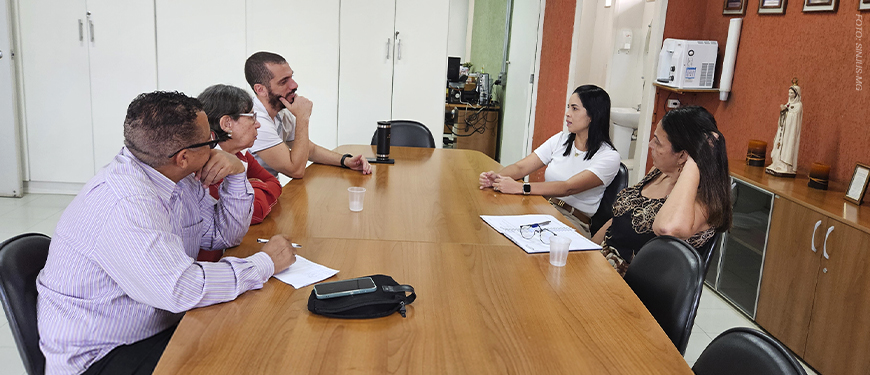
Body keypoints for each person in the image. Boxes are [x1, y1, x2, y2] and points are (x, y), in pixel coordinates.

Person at [36, 91, 298, 375]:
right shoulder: (125, 203)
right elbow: (181, 289)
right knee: (248, 357)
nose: (216, 146)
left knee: (254, 335)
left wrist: (236, 174)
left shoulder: (174, 176)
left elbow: (224, 235)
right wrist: (264, 263)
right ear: (183, 157)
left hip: (155, 324)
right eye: (211, 140)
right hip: (101, 355)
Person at [592, 105, 732, 277]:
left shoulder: (704, 201)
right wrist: (587, 249)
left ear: (683, 156)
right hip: (602, 267)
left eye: (657, 141)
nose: (650, 144)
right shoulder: (660, 172)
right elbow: (620, 216)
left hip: (632, 289)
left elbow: (667, 228)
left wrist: (696, 160)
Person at [479, 85, 621, 234]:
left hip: (572, 220)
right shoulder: (561, 139)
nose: (567, 114)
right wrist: (498, 177)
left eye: (574, 108)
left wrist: (521, 188)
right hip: (543, 207)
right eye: (568, 107)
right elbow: (521, 168)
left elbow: (568, 187)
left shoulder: (609, 157)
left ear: (593, 115)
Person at [244, 51, 372, 178]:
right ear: (260, 90)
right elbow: (295, 170)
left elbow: (310, 150)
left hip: (269, 190)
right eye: (284, 81)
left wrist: (346, 161)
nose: (294, 85)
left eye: (291, 77)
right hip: (253, 195)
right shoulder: (256, 122)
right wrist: (302, 117)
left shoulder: (281, 113)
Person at [198, 84, 282, 225]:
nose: (258, 124)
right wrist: (254, 184)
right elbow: (253, 212)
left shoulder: (238, 153)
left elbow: (274, 183)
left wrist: (250, 188)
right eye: (252, 117)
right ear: (227, 123)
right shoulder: (207, 163)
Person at [766, 83, 803, 176]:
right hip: (783, 131)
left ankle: (785, 165)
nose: (789, 95)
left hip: (790, 132)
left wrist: (785, 111)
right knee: (778, 144)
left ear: (796, 94)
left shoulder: (798, 105)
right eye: (789, 93)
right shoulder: (788, 104)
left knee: (787, 146)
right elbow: (785, 114)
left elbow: (794, 117)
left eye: (791, 93)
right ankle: (777, 162)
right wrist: (783, 110)